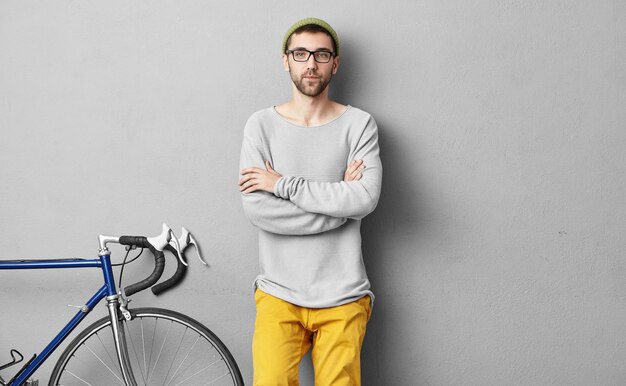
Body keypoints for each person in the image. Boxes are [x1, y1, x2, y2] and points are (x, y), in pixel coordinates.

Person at [238, 17, 382, 386]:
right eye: (300, 54)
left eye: (321, 54)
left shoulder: (360, 125)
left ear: (335, 63)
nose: (311, 64)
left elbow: (364, 198)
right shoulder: (260, 125)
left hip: (344, 295)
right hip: (278, 293)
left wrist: (282, 184)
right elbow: (259, 210)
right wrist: (339, 210)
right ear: (285, 61)